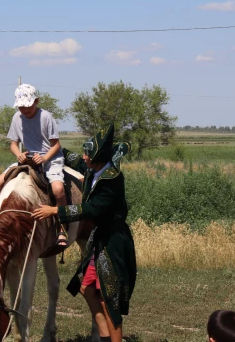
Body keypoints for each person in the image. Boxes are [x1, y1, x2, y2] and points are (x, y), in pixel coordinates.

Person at [32, 124, 137, 342]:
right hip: (99, 238)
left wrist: (55, 210)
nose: (83, 156)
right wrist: (48, 146)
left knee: (110, 301)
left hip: (114, 242)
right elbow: (69, 157)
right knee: (87, 288)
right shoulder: (92, 168)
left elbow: (92, 209)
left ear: (96, 157)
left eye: (87, 153)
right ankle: (104, 337)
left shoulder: (112, 179)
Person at [0, 83, 68, 247]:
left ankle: (62, 227)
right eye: (21, 107)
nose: (25, 110)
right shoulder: (16, 118)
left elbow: (56, 145)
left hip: (50, 158)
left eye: (28, 106)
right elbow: (13, 144)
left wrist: (45, 158)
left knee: (58, 190)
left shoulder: (46, 117)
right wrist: (18, 154)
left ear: (36, 101)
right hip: (27, 158)